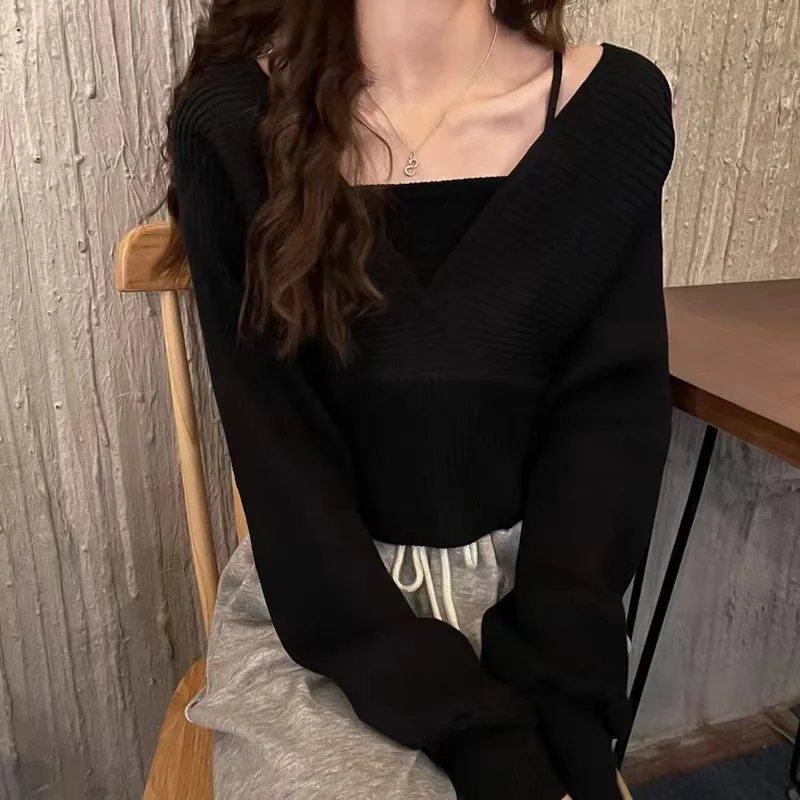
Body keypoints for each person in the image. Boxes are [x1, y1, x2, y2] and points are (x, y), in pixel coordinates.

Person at [162, 0, 675, 797]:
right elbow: (283, 473)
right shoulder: (233, 123)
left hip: (538, 610)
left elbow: (607, 432)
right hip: (324, 619)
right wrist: (483, 740)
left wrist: (557, 702)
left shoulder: (612, 111)